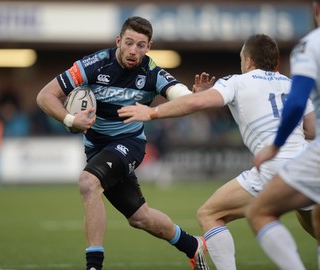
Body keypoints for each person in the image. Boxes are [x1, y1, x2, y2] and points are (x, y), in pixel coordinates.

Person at [117, 33, 320, 269]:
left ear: (249, 61)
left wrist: (152, 113)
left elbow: (196, 103)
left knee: (209, 214)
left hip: (273, 166)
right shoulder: (292, 84)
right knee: (318, 226)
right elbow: (314, 129)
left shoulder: (237, 81)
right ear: (274, 62)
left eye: (242, 59)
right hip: (306, 163)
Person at [36, 16, 210, 270]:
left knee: (88, 182)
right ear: (118, 41)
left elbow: (179, 95)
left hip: (129, 143)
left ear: (148, 47)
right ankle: (193, 245)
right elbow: (45, 96)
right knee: (140, 218)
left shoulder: (152, 72)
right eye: (129, 43)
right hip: (97, 149)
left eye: (141, 45)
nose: (133, 50)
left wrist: (195, 97)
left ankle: (93, 266)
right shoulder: (93, 65)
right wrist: (71, 119)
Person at [245, 1, 320, 270]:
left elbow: (296, 103)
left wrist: (275, 146)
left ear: (316, 8)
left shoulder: (311, 45)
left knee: (260, 211)